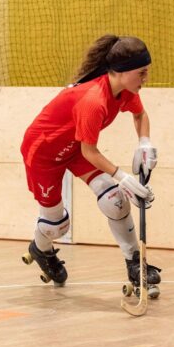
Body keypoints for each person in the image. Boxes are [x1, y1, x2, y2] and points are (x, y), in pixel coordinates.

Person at [20, 34, 161, 296]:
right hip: (43, 152)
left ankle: (135, 263)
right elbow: (90, 151)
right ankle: (40, 249)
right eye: (142, 73)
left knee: (115, 200)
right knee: (57, 226)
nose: (146, 79)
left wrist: (144, 142)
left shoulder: (124, 91)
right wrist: (123, 177)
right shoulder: (93, 100)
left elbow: (140, 114)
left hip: (75, 147)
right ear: (122, 71)